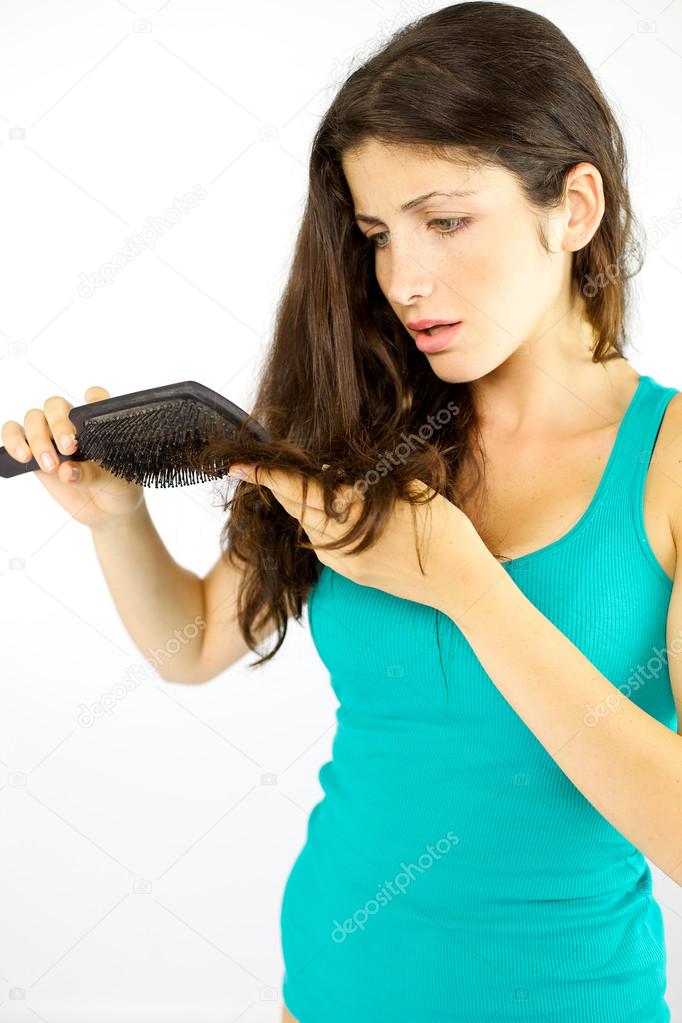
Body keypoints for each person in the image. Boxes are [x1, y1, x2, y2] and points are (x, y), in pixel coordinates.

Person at [4, 3, 679, 1021]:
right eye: (376, 235)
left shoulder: (667, 464)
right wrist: (115, 519)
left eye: (445, 220)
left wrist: (465, 587)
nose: (404, 281)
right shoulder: (364, 433)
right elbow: (191, 644)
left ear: (573, 206)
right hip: (324, 994)